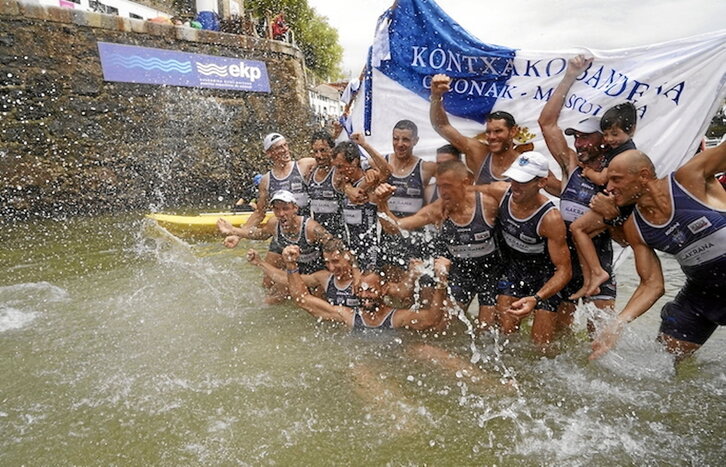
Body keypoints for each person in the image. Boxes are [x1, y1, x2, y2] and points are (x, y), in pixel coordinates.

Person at [590, 142, 726, 361]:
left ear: (643, 176)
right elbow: (651, 284)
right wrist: (618, 324)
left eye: (616, 179)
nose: (609, 187)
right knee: (666, 357)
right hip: (702, 294)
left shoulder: (688, 178)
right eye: (608, 181)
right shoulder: (635, 227)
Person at [538, 54, 618, 331]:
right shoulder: (571, 164)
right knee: (558, 340)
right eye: (575, 137)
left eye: (585, 137)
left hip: (599, 259)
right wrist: (570, 74)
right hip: (564, 261)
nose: (578, 142)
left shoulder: (617, 173)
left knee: (600, 341)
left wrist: (612, 215)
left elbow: (630, 231)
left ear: (604, 140)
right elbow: (547, 123)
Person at [375, 160, 505, 328]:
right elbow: (395, 228)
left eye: (449, 186)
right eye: (440, 186)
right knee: (441, 327)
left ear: (465, 182)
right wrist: (382, 203)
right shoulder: (437, 209)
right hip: (461, 272)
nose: (443, 192)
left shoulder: (488, 204)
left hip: (491, 272)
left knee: (487, 331)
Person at [494, 152, 572, 346]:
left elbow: (565, 270)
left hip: (545, 277)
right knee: (504, 337)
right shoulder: (500, 193)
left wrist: (537, 298)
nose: (515, 186)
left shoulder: (551, 219)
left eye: (523, 181)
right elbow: (463, 191)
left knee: (541, 347)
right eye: (513, 178)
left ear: (542, 182)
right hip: (515, 270)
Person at [283, 245, 453, 332]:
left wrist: (441, 281)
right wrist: (291, 265)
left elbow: (432, 319)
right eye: (361, 290)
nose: (364, 295)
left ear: (384, 289)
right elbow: (302, 299)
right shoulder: (348, 316)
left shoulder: (397, 317)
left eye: (370, 290)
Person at [568, 102, 638, 299]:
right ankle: (590, 280)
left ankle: (597, 273)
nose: (610, 140)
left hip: (615, 206)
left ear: (631, 130)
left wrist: (588, 171)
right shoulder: (616, 150)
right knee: (583, 234)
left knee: (577, 229)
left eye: (615, 134)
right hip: (614, 204)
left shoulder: (624, 154)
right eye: (606, 134)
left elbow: (601, 179)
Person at [218, 190, 332, 301]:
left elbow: (334, 246)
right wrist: (233, 230)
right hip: (297, 268)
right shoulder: (274, 223)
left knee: (314, 301)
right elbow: (260, 234)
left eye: (285, 209)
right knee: (271, 298)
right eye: (276, 209)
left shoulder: (311, 228)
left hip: (318, 272)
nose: (281, 214)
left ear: (295, 208)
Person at [379, 120, 437, 282]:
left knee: (415, 292)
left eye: (406, 140)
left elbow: (457, 176)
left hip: (416, 240)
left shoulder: (425, 168)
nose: (400, 144)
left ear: (416, 141)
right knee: (391, 290)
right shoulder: (381, 164)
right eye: (395, 139)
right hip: (389, 238)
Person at [246, 238, 359, 307]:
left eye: (335, 261)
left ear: (347, 256)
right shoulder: (325, 278)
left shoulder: (364, 279)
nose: (331, 268)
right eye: (327, 262)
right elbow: (286, 279)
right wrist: (259, 262)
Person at [240, 132, 316, 231]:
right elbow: (259, 213)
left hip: (305, 232)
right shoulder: (266, 180)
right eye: (279, 148)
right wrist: (237, 235)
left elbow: (331, 160)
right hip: (283, 233)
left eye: (285, 145)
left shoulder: (303, 165)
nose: (285, 150)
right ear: (269, 153)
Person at [307, 131, 346, 240]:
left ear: (332, 150)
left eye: (323, 150)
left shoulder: (339, 173)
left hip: (338, 236)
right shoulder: (310, 172)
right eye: (315, 151)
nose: (319, 155)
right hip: (318, 237)